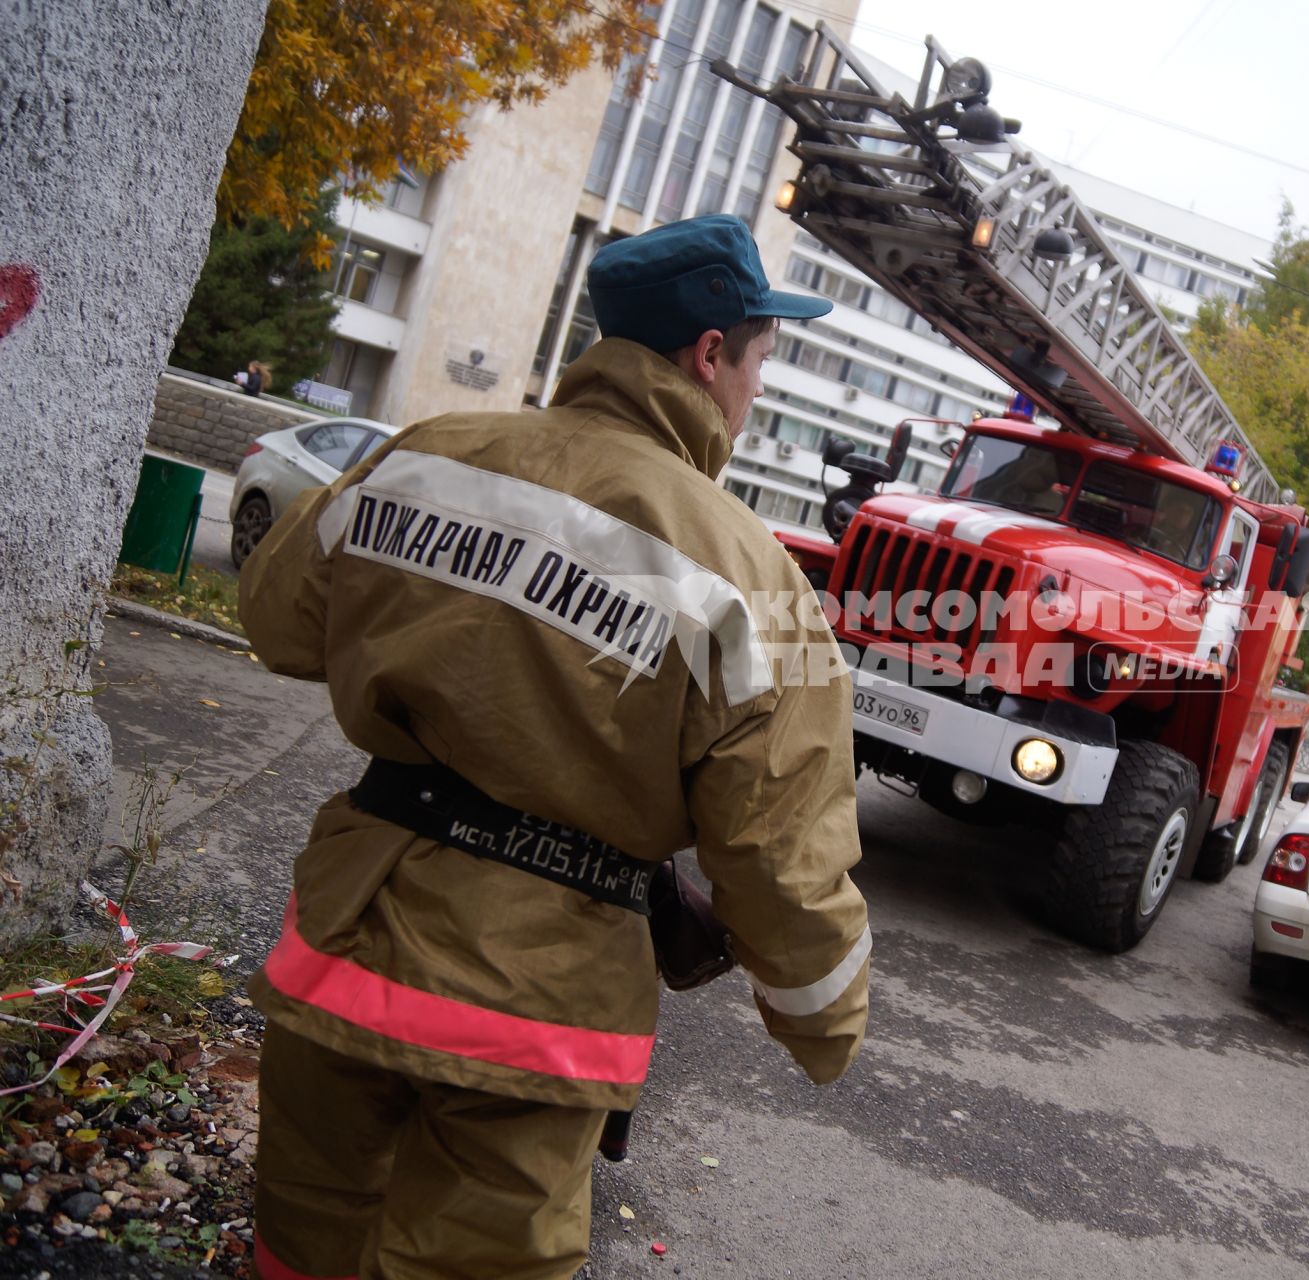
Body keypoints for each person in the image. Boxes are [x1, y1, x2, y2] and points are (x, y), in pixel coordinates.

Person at [236, 215, 870, 1279]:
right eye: (759, 360)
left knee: (305, 1237)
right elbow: (779, 847)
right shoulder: (749, 578)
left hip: (345, 945)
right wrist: (824, 1019)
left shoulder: (425, 454)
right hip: (533, 1013)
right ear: (709, 355)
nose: (756, 390)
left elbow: (280, 618)